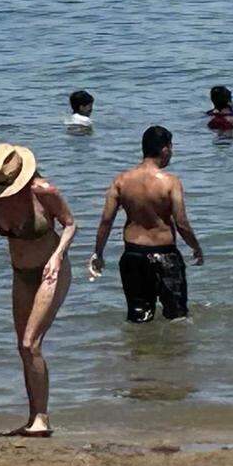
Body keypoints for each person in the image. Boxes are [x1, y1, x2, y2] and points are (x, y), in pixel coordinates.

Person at [0, 143, 76, 437]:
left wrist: (58, 256)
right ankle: (34, 418)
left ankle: (41, 419)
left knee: (31, 343)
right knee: (24, 348)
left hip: (49, 272)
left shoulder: (44, 192)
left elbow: (70, 224)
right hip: (21, 274)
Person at [89, 126, 204, 323]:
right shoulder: (170, 182)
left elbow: (106, 221)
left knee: (138, 318)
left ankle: (139, 353)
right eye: (172, 147)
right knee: (177, 318)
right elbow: (182, 223)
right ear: (165, 149)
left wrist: (98, 253)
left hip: (132, 255)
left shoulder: (121, 181)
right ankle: (175, 353)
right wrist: (196, 247)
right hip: (165, 256)